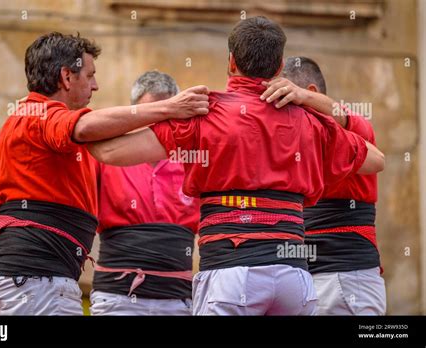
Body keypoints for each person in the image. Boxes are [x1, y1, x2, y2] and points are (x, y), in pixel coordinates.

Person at [88, 17, 385, 315]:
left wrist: (162, 109)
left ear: (231, 62)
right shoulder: (311, 123)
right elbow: (375, 160)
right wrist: (311, 102)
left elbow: (109, 150)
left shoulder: (201, 115)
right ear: (279, 66)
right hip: (294, 281)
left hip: (229, 276)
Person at [0, 32, 209, 315]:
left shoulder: (49, 125)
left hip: (36, 282)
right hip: (35, 282)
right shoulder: (38, 114)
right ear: (67, 76)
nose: (96, 85)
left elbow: (101, 140)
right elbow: (86, 127)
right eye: (89, 76)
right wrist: (168, 109)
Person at [261, 56, 386, 315]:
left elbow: (341, 117)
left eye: (285, 97)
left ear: (309, 94)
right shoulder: (295, 136)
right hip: (301, 278)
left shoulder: (350, 128)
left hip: (348, 277)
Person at [90, 71, 200, 316]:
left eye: (167, 116)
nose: (156, 127)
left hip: (178, 300)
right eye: (150, 115)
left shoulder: (193, 160)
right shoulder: (107, 156)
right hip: (116, 298)